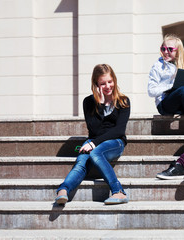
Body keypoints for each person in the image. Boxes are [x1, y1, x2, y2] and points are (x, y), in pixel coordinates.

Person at [55, 64, 130, 205]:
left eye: (110, 81)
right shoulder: (88, 102)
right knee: (81, 162)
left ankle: (118, 191)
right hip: (93, 140)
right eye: (103, 83)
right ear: (96, 84)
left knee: (95, 153)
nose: (108, 86)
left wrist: (94, 143)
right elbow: (94, 129)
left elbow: (118, 130)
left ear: (114, 80)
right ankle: (63, 190)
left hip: (115, 142)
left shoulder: (123, 101)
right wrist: (100, 104)